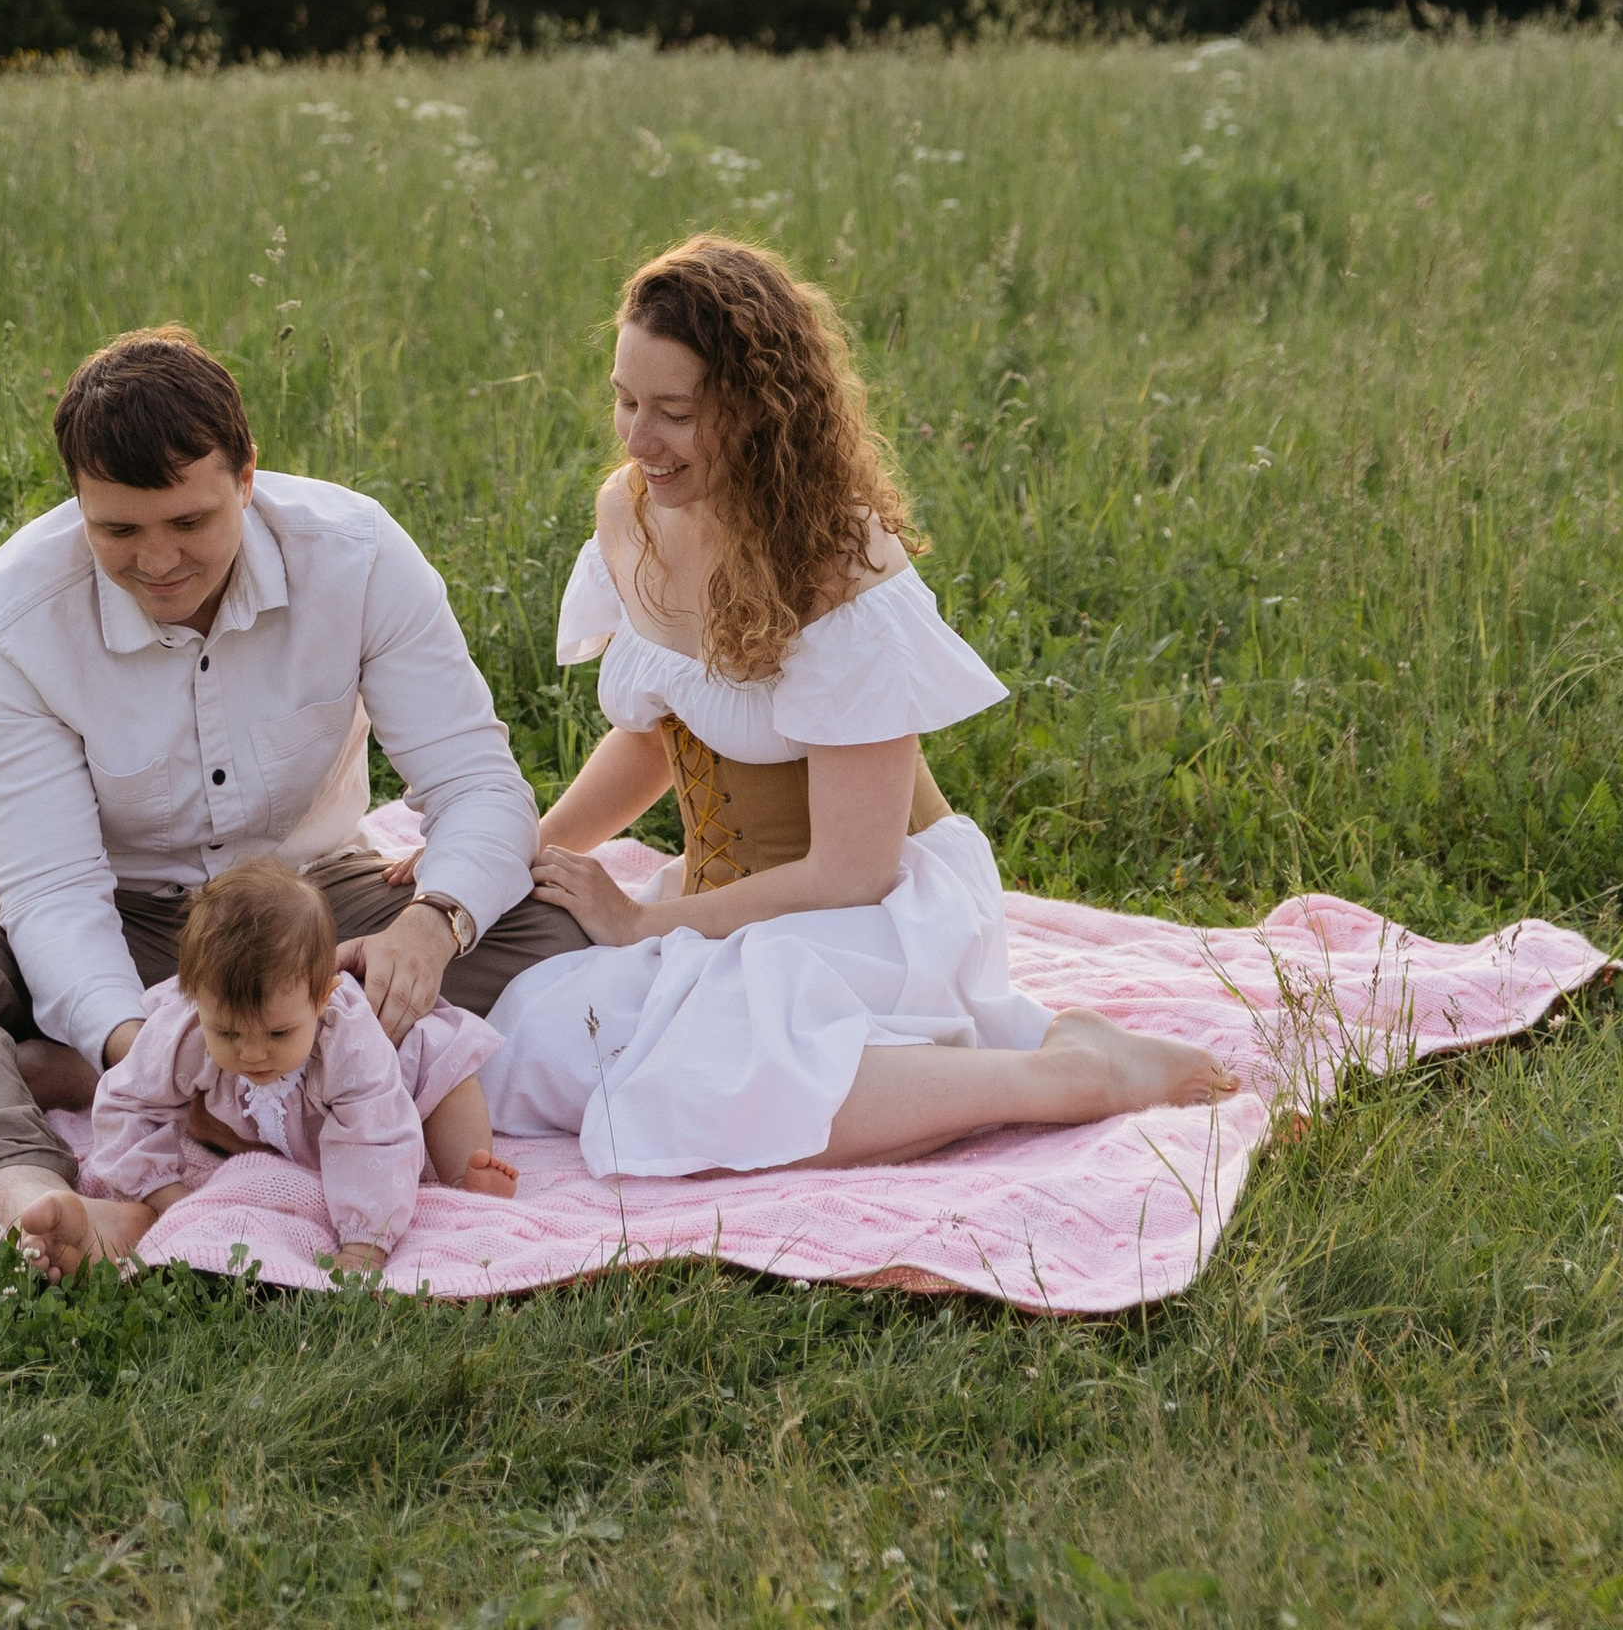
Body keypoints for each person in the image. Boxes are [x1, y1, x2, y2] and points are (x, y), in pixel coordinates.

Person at [0, 326, 589, 1272]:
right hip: (111, 911)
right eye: (118, 531)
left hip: (305, 907)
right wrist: (151, 1043)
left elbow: (475, 780)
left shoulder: (356, 553)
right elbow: (52, 890)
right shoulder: (10, 619)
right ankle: (41, 1197)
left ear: (247, 475)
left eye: (190, 522)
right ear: (78, 503)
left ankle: (147, 1082)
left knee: (548, 923)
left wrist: (429, 929)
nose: (158, 561)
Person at [485, 236, 1239, 1173]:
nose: (639, 440)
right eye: (625, 399)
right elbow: (651, 733)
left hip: (876, 910)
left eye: (674, 413)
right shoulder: (630, 514)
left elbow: (852, 871)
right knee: (528, 1052)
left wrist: (640, 924)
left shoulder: (841, 572)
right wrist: (532, 852)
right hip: (732, 899)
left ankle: (1071, 1073)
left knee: (713, 1099)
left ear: (758, 414)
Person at [43, 855, 518, 1282]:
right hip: (272, 1123)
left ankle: (464, 1179)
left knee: (448, 1076)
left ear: (322, 999)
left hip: (400, 1089)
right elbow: (128, 1102)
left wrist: (363, 1243)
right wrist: (162, 1192)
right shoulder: (184, 1030)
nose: (251, 1055)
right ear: (195, 1000)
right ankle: (55, 1070)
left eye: (277, 1034)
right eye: (227, 1034)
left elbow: (375, 1135)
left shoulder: (349, 1044)